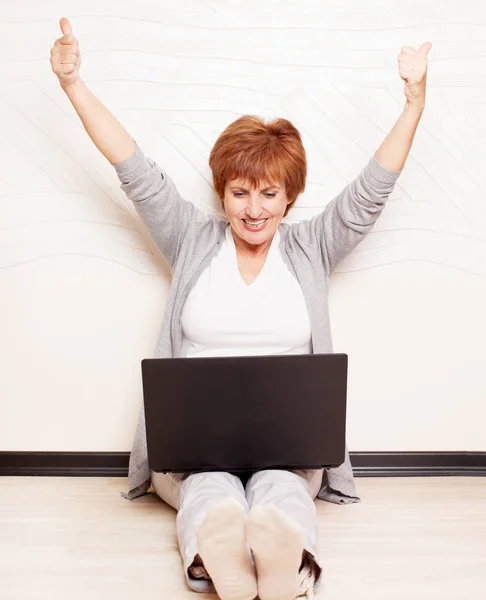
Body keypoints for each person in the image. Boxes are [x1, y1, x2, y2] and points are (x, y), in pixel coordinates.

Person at [50, 16, 432, 600]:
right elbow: (133, 170)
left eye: (270, 193)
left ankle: (284, 563)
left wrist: (413, 104)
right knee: (210, 488)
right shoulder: (191, 239)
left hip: (288, 445)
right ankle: (220, 552)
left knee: (281, 487)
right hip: (195, 449)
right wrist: (74, 85)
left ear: (290, 195)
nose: (254, 210)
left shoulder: (310, 247)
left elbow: (369, 194)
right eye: (239, 192)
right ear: (222, 191)